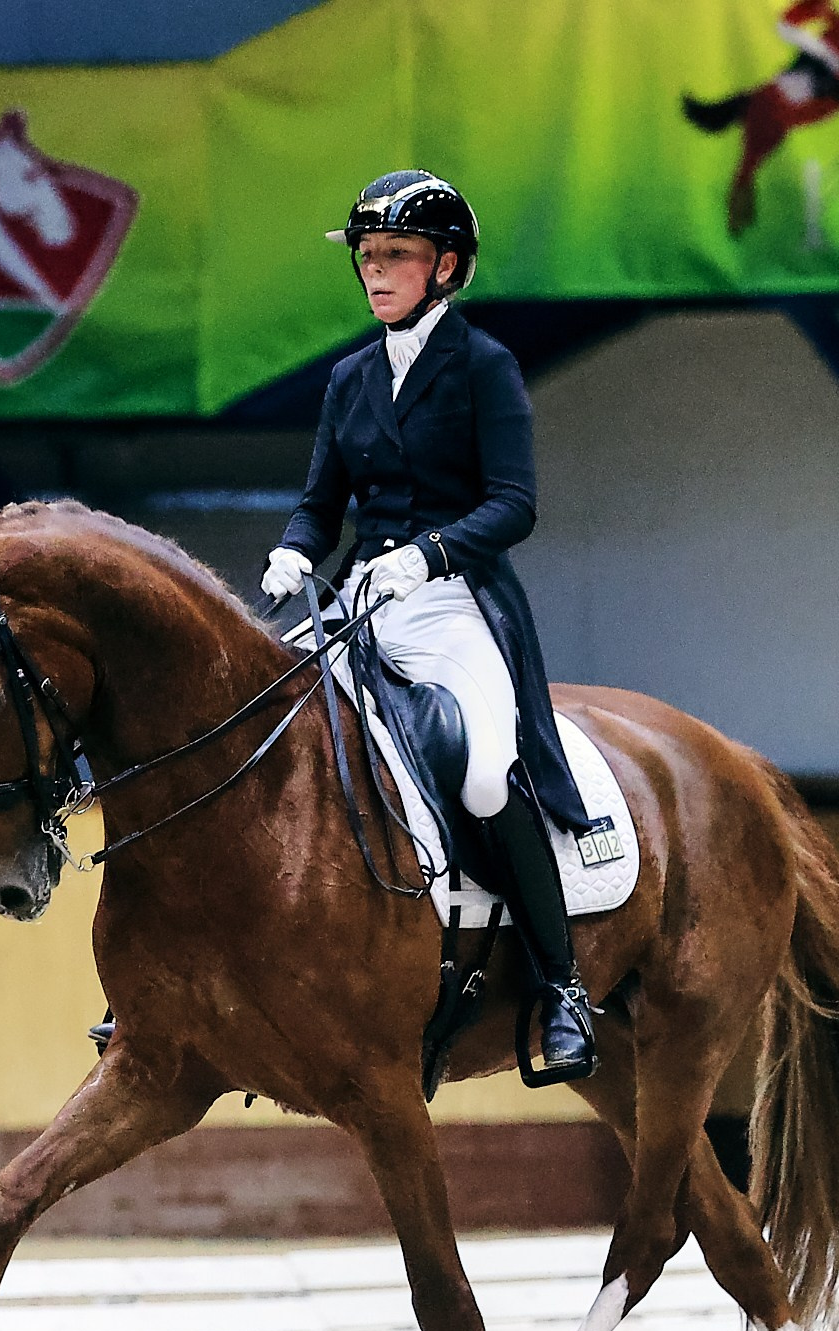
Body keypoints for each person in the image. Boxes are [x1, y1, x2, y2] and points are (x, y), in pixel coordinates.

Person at [262, 170, 600, 1085]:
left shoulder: (484, 367)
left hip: (454, 601)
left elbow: (516, 504)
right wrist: (296, 551)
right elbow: (319, 503)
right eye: (368, 259)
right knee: (253, 731)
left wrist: (430, 554)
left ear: (444, 266)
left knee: (487, 772)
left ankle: (561, 986)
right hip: (360, 598)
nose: (375, 274)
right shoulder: (348, 378)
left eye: (396, 257)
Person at [776, 0, 839, 99]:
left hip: (791, 31)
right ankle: (824, 85)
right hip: (789, 30)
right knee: (832, 62)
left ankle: (821, 82)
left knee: (828, 60)